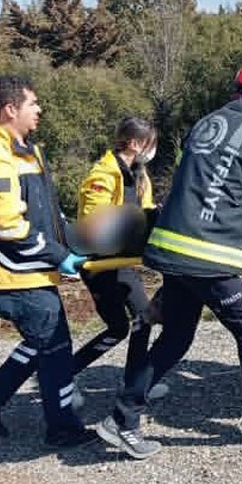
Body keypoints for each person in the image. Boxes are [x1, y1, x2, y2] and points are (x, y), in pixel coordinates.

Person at [95, 55, 242, 459]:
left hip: (175, 245)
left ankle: (122, 418)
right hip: (206, 252)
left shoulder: (211, 121)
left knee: (176, 335)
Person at [0, 75, 95, 448]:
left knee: (42, 343)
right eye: (33, 103)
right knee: (54, 346)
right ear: (10, 109)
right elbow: (11, 229)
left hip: (31, 272)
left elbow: (46, 215)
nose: (40, 110)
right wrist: (60, 256)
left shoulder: (28, 151)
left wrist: (72, 239)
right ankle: (62, 427)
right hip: (7, 276)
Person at [70, 116, 168, 405]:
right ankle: (64, 376)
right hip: (100, 263)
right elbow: (94, 223)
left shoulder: (139, 174)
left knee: (144, 317)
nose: (152, 149)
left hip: (121, 262)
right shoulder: (103, 174)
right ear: (135, 143)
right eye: (150, 143)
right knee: (118, 328)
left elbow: (146, 210)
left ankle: (133, 383)